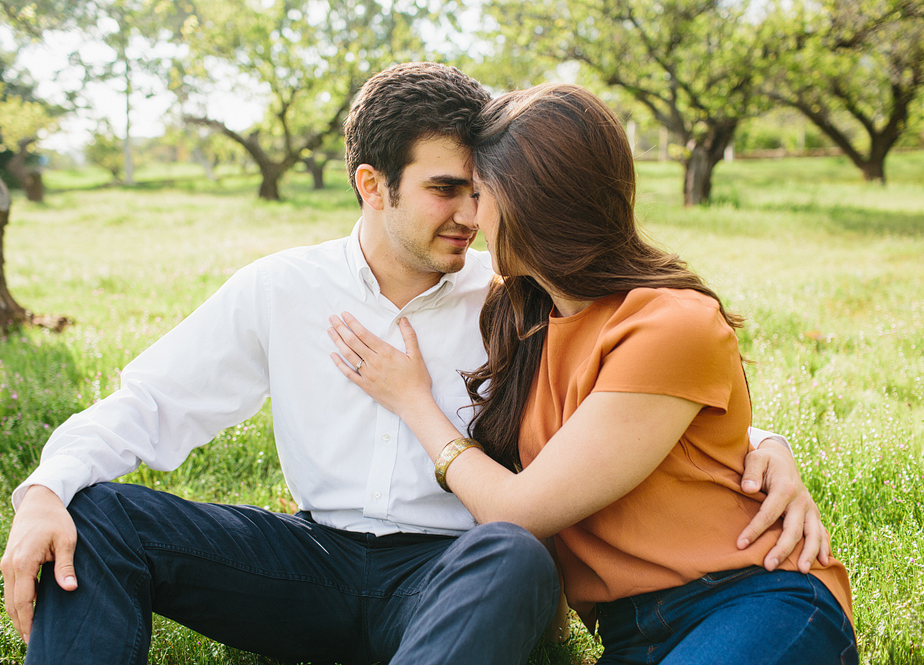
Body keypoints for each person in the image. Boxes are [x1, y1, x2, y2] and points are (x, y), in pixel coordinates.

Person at [0, 62, 831, 665]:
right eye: (444, 190)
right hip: (311, 561)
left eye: (480, 190)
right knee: (97, 511)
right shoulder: (285, 288)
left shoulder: (514, 293)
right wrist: (44, 487)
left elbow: (641, 381)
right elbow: (148, 402)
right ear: (372, 184)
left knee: (513, 550)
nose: (470, 214)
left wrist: (762, 439)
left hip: (455, 572)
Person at [324, 82, 855, 663]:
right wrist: (767, 441)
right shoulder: (524, 317)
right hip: (630, 639)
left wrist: (415, 404)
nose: (471, 216)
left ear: (535, 201)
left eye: (480, 193)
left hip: (748, 600)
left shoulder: (669, 321)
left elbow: (515, 512)